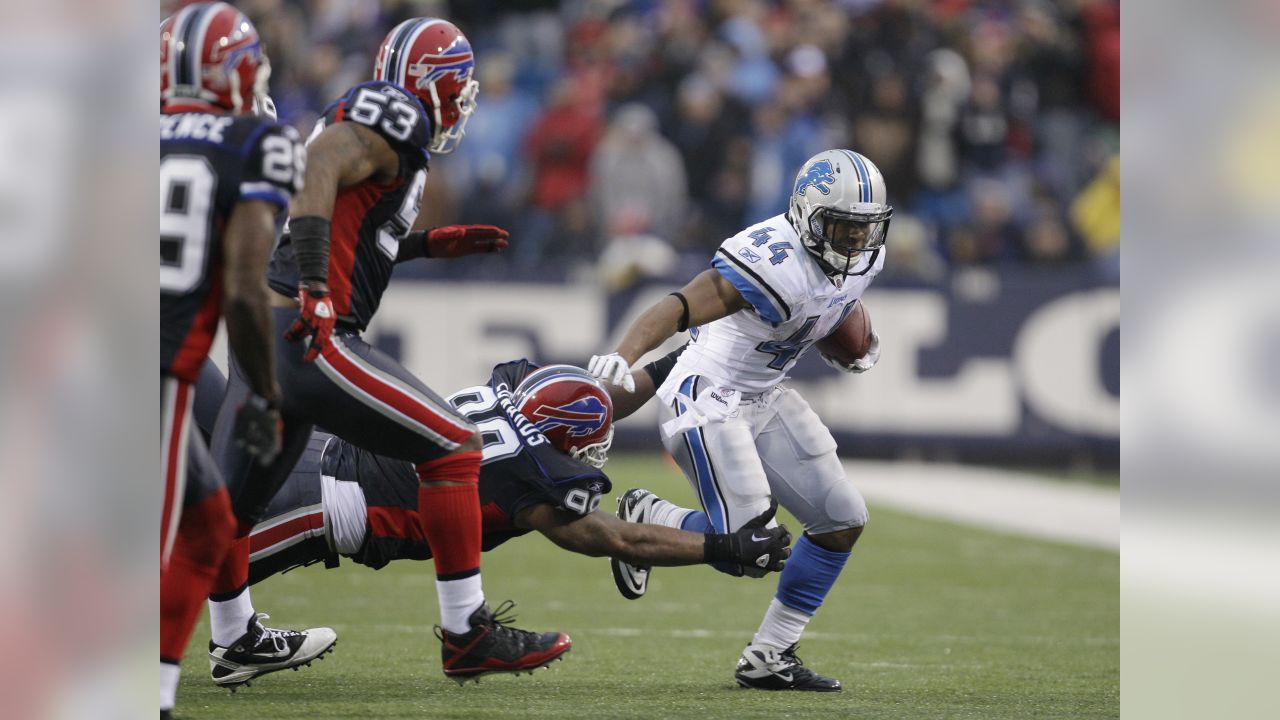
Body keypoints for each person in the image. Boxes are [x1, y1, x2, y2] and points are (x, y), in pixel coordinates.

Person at [207, 17, 556, 688]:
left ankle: (230, 637)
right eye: (457, 89)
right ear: (432, 84)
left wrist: (424, 244)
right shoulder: (396, 113)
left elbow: (349, 215)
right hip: (310, 336)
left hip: (270, 337)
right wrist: (314, 286)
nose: (461, 103)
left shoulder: (389, 132)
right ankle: (467, 634)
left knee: (224, 511)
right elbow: (323, 163)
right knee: (454, 446)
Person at [190, 358, 789, 686]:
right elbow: (616, 536)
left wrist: (673, 360)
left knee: (191, 384)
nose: (590, 455)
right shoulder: (533, 478)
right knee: (171, 569)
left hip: (322, 449)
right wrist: (722, 547)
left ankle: (236, 641)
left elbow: (589, 399)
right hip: (318, 502)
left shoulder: (513, 390)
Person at [587, 149, 891, 692]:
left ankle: (770, 656)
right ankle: (647, 518)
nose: (853, 242)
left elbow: (830, 304)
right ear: (806, 214)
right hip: (707, 399)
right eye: (841, 228)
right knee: (749, 548)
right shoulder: (773, 259)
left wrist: (845, 333)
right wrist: (623, 353)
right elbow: (678, 306)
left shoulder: (867, 258)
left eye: (862, 229)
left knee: (842, 517)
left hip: (764, 396)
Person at [158, 4, 308, 717]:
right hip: (146, 367)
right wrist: (268, 395)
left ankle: (215, 649)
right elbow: (248, 292)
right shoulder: (257, 140)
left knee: (210, 520)